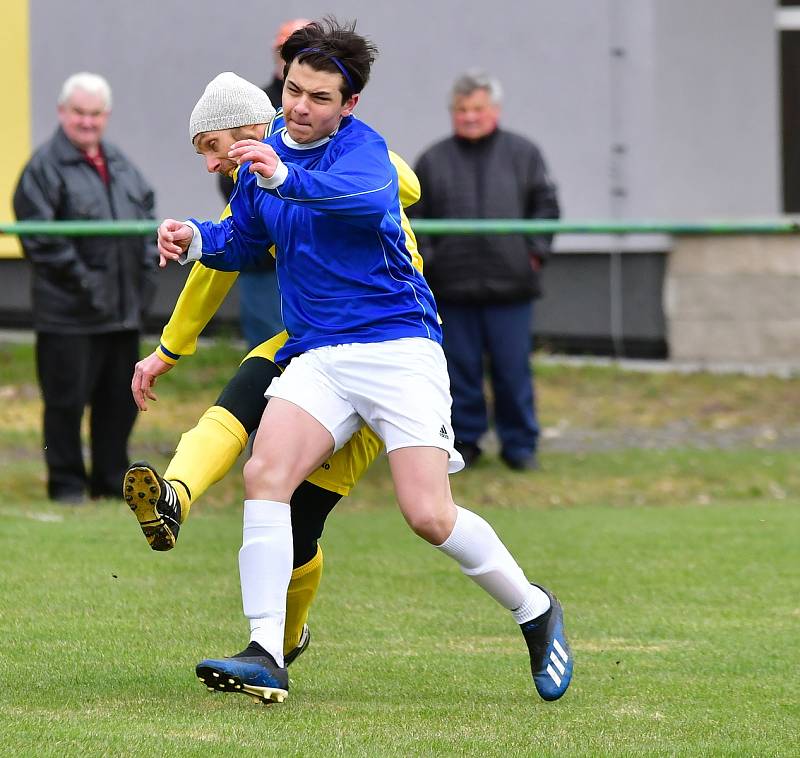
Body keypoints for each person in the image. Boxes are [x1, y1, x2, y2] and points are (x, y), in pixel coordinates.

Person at [157, 17, 572, 706]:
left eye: (319, 98)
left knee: (428, 515)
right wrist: (194, 238)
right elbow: (242, 238)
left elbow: (358, 201)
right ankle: (266, 651)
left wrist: (285, 175)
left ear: (349, 106)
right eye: (293, 90)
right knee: (266, 474)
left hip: (398, 347)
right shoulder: (266, 157)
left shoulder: (364, 153)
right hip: (321, 353)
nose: (299, 107)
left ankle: (535, 609)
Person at [123, 71, 424, 669]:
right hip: (312, 340)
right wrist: (168, 349)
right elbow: (220, 261)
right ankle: (175, 497)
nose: (210, 165)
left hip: (385, 346)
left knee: (306, 524)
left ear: (244, 132)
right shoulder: (254, 184)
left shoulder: (331, 147)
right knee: (241, 392)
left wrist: (300, 171)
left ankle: (284, 642)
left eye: (211, 147)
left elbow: (406, 183)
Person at [13, 72, 158, 503]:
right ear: (62, 112)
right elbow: (41, 239)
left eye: (95, 114)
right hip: (69, 317)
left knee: (119, 403)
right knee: (65, 404)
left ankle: (111, 483)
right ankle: (67, 486)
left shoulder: (120, 164)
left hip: (123, 313)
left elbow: (148, 219)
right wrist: (88, 287)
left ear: (106, 116)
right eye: (79, 112)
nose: (87, 122)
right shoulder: (42, 169)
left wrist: (145, 281)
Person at [411, 70, 560, 471]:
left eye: (477, 109)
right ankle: (465, 443)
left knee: (513, 372)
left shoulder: (524, 154)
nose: (470, 117)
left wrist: (533, 254)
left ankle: (520, 446)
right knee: (459, 373)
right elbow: (413, 214)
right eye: (461, 110)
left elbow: (546, 207)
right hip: (452, 288)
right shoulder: (433, 159)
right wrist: (431, 260)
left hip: (511, 286)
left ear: (493, 110)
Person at [217, 18, 311, 348]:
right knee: (268, 348)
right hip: (262, 256)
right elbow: (229, 174)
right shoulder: (253, 106)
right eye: (290, 50)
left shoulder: (325, 111)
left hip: (311, 253)